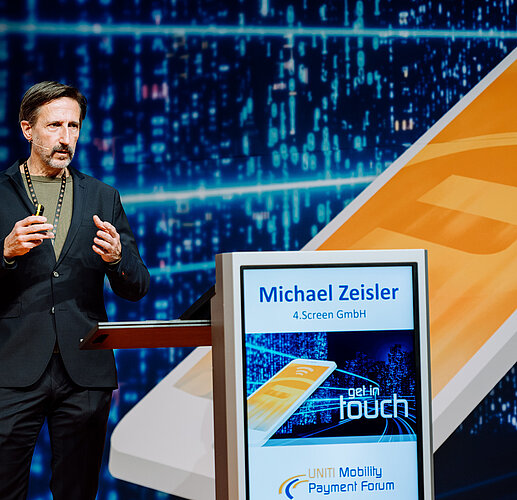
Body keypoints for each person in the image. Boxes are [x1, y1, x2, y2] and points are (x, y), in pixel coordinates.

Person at [0, 81, 150, 499]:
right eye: (54, 126)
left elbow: (138, 286)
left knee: (79, 491)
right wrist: (5, 253)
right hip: (11, 370)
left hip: (85, 372)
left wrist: (117, 258)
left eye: (74, 126)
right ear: (27, 129)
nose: (66, 137)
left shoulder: (103, 196)